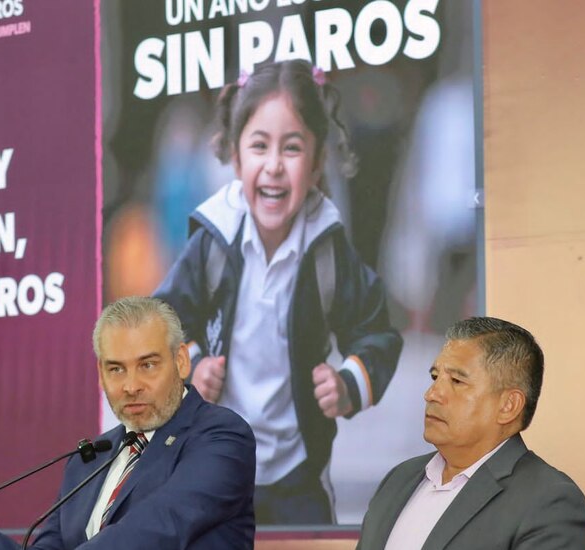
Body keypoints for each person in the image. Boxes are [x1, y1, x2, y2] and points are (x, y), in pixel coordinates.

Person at [153, 59, 402, 524]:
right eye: (259, 146)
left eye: (292, 148)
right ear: (235, 158)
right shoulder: (214, 241)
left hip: (297, 473)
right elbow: (161, 321)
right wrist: (193, 365)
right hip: (217, 462)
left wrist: (348, 384)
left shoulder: (326, 248)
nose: (273, 166)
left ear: (318, 162)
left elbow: (377, 333)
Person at [0, 296, 256, 549]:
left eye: (148, 365)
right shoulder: (90, 460)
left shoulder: (221, 438)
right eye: (116, 369)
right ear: (100, 374)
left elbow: (160, 527)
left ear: (181, 361)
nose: (131, 385)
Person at [356, 317, 585, 549]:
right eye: (435, 377)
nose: (431, 394)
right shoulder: (399, 478)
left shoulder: (548, 500)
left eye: (457, 381)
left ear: (508, 406)